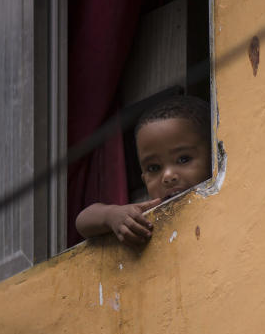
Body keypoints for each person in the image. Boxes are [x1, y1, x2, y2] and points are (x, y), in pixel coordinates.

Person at [75, 95, 212, 245]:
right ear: (144, 179)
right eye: (154, 168)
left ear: (213, 157)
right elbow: (83, 221)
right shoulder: (144, 219)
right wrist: (112, 215)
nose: (168, 176)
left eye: (183, 159)